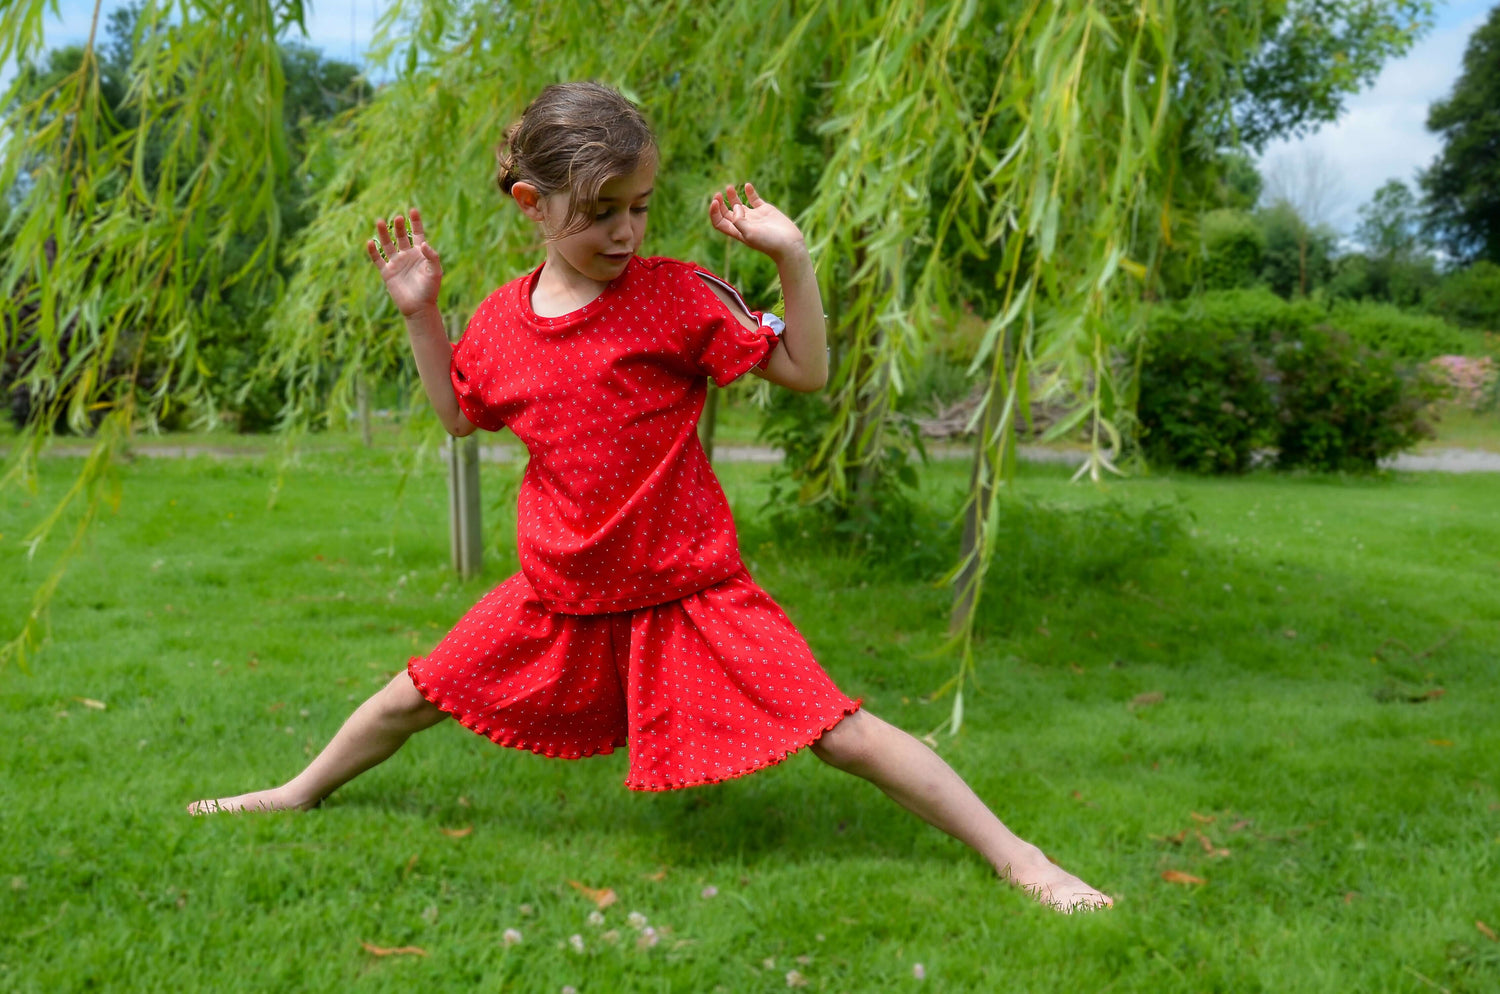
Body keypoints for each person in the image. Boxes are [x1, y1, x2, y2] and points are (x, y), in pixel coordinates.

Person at [189, 82, 1111, 913]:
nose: (627, 232)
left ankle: (1023, 860)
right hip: (559, 593)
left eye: (639, 207)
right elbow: (460, 416)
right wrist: (421, 314)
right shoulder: (502, 323)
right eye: (601, 213)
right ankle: (295, 792)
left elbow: (806, 368)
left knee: (841, 732)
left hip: (690, 590)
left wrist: (792, 257)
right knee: (413, 695)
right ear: (532, 203)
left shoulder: (678, 297)